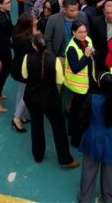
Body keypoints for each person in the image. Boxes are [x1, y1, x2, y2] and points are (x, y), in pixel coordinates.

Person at [22, 34, 79, 168]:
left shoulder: (27, 58)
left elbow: (25, 76)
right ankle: (65, 159)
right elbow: (59, 81)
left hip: (32, 98)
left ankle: (38, 155)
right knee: (59, 128)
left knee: (36, 125)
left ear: (34, 46)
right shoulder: (55, 61)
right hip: (50, 100)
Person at [78, 73, 112, 203]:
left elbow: (83, 118)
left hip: (93, 138)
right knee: (110, 172)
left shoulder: (92, 99)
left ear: (100, 85)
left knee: (88, 169)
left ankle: (84, 198)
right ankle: (109, 198)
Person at [64, 20, 96, 147]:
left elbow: (93, 57)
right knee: (76, 113)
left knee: (80, 112)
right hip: (78, 87)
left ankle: (77, 132)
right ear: (73, 33)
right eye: (80, 32)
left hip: (89, 82)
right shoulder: (71, 48)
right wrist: (86, 56)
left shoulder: (87, 40)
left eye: (85, 31)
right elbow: (75, 68)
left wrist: (93, 53)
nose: (83, 34)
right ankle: (74, 138)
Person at [11, 14, 37, 133]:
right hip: (25, 70)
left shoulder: (17, 35)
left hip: (17, 66)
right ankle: (17, 118)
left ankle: (18, 114)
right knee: (25, 95)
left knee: (21, 92)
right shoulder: (27, 40)